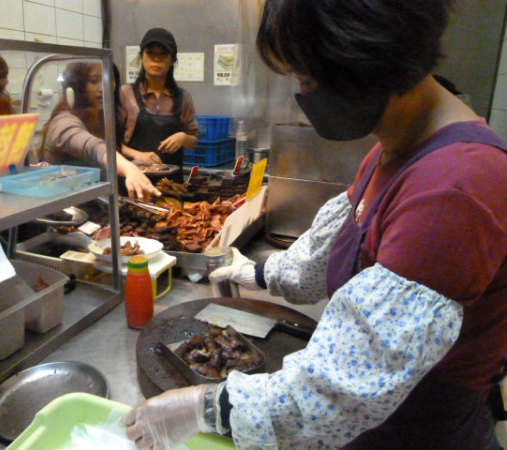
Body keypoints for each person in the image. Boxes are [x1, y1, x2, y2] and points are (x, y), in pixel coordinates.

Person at [123, 1, 507, 449]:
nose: (302, 96)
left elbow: (344, 389)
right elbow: (329, 249)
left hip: (418, 433)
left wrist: (210, 407)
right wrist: (257, 272)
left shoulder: (454, 187)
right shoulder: (393, 147)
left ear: (363, 59)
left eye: (306, 78)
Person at [41, 61, 160, 201]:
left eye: (108, 80)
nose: (103, 88)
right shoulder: (63, 122)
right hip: (65, 205)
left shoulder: (101, 117)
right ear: (78, 86)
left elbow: (107, 145)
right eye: (94, 81)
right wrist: (128, 168)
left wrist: (135, 158)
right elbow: (92, 146)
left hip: (93, 201)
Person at [119, 27, 199, 183]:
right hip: (134, 183)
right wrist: (138, 155)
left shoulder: (183, 98)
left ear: (172, 60)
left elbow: (193, 141)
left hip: (172, 185)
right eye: (150, 53)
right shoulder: (125, 94)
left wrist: (183, 138)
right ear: (142, 57)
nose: (156, 59)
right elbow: (110, 144)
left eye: (163, 54)